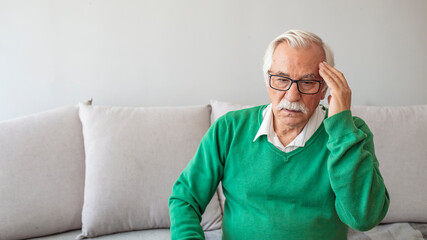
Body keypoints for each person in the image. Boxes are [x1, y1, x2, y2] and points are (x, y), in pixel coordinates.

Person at [169, 30, 390, 240]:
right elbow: (185, 198)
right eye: (282, 80)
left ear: (325, 89)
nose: (293, 96)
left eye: (307, 82)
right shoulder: (230, 128)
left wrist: (341, 127)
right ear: (267, 80)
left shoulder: (350, 132)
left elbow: (364, 218)